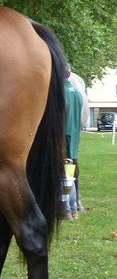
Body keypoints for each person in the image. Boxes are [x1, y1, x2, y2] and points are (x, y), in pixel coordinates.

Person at [63, 69, 84, 220]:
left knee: (65, 175)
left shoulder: (60, 93)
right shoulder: (77, 93)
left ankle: (67, 210)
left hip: (64, 136)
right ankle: (74, 207)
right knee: (70, 172)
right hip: (74, 138)